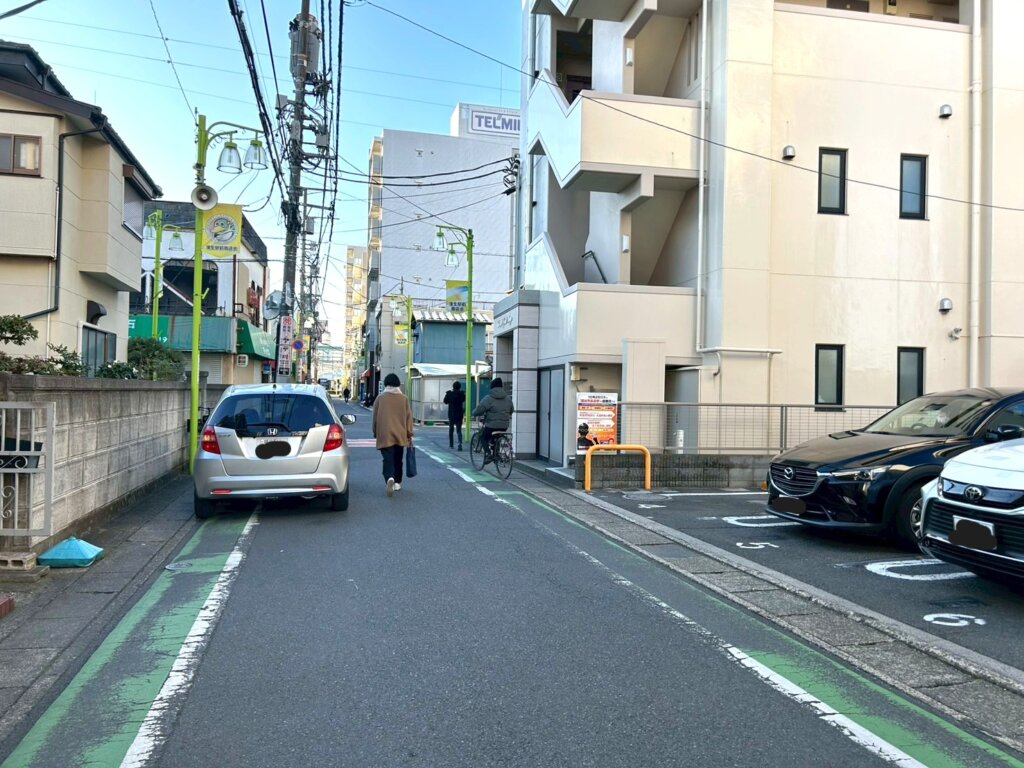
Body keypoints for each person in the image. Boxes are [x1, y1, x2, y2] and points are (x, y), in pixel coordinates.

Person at [372, 372, 414, 497]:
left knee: (387, 458)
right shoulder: (404, 399)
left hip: (385, 434)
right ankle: (397, 482)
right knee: (398, 459)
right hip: (400, 434)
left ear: (386, 384)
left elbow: (375, 418)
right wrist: (409, 433)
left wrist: (375, 432)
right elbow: (409, 418)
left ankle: (389, 478)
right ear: (397, 384)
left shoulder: (380, 398)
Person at [472, 377, 514, 464]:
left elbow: (479, 409)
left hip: (491, 425)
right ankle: (496, 454)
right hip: (504, 426)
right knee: (496, 437)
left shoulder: (489, 398)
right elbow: (512, 410)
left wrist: (474, 413)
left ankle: (488, 454)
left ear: (492, 386)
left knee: (483, 437)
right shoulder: (508, 398)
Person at [443, 381, 466, 451]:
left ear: (453, 387)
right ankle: (460, 444)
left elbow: (445, 401)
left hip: (451, 414)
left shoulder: (449, 394)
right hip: (459, 414)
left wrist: (448, 395)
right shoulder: (461, 394)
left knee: (451, 429)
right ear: (459, 387)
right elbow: (463, 400)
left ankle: (451, 444)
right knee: (459, 430)